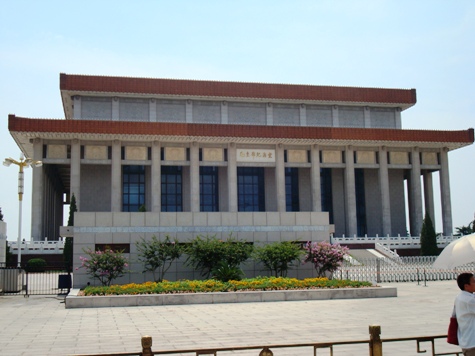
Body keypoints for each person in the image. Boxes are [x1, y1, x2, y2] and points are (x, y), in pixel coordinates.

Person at [455, 273, 475, 355]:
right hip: (472, 343)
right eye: (474, 281)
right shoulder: (469, 300)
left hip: (467, 341)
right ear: (466, 286)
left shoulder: (460, 297)